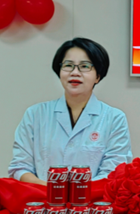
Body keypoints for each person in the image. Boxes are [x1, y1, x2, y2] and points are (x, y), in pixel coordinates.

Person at [9, 38, 133, 184]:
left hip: (93, 197)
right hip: (43, 196)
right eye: (68, 65)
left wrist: (74, 192)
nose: (75, 72)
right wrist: (53, 190)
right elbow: (20, 167)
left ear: (98, 76)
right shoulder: (35, 114)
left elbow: (113, 172)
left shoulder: (114, 118)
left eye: (85, 66)